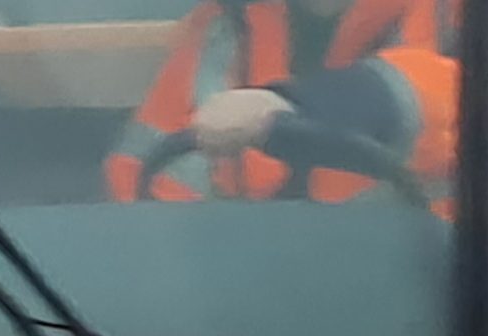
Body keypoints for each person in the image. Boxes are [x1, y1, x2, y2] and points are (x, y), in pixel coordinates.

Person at [106, 0, 458, 204]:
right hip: (261, 285)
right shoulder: (229, 21)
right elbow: (146, 181)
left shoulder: (462, 15)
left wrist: (293, 107)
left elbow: (444, 96)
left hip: (424, 292)